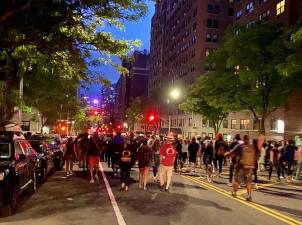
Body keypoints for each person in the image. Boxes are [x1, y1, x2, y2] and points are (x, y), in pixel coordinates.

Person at [225, 134, 264, 201]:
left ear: (243, 139)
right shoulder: (252, 147)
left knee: (237, 180)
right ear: (249, 140)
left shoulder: (240, 146)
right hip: (249, 167)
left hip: (241, 166)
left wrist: (226, 154)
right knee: (248, 182)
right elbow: (257, 154)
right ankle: (249, 196)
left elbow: (231, 153)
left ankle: (234, 192)